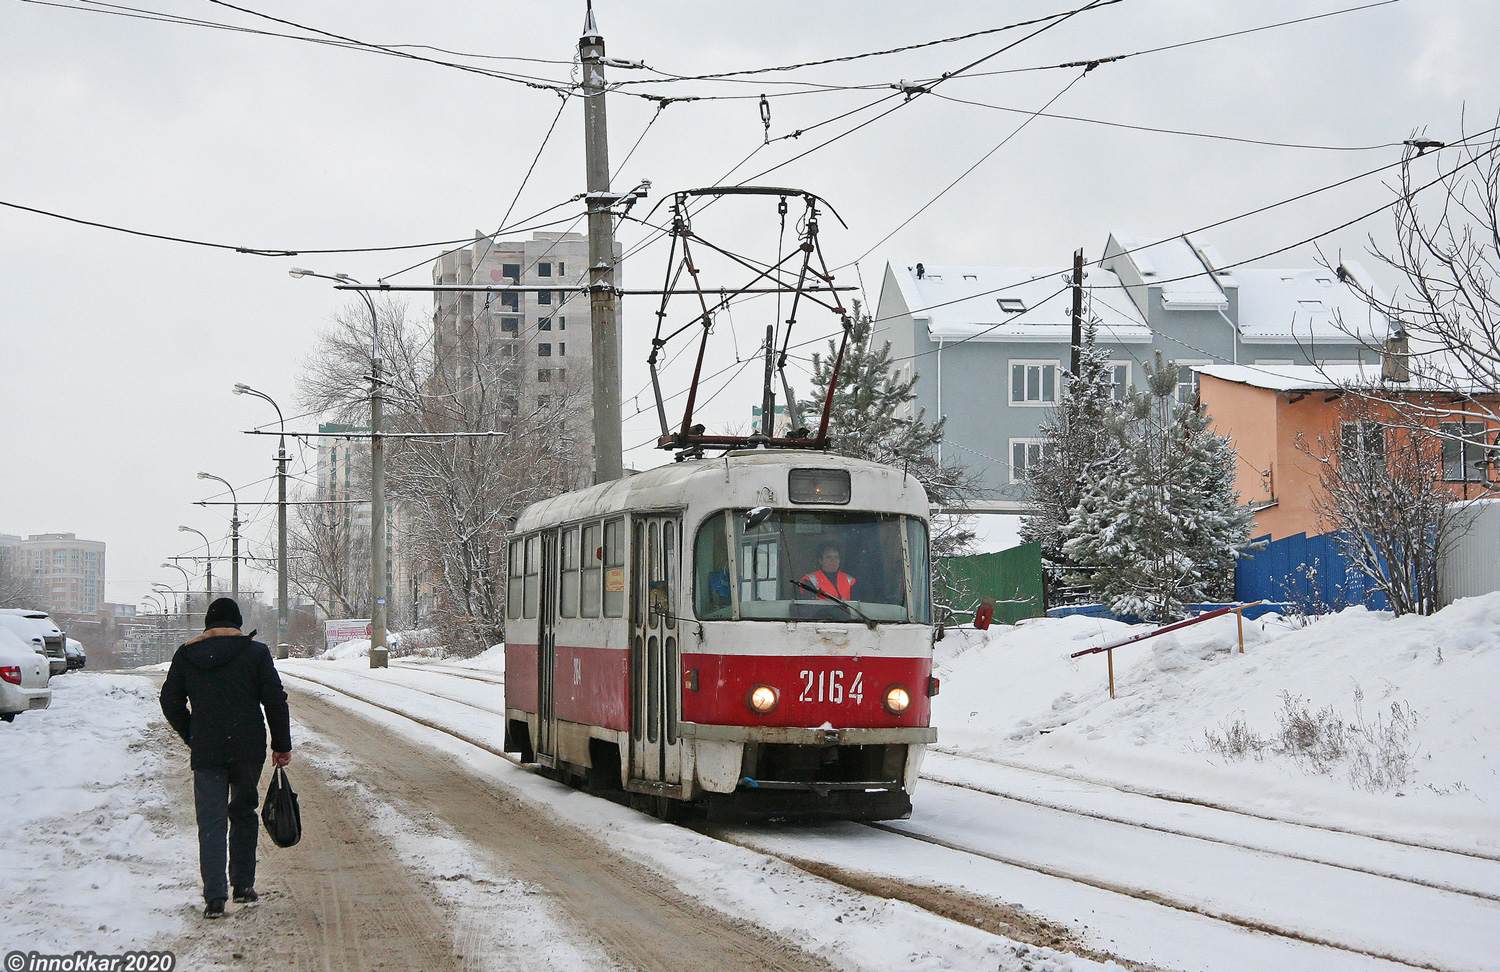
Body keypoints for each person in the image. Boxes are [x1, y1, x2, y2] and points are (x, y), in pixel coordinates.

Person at [160, 597, 292, 919]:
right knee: (244, 811)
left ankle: (214, 898)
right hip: (247, 747)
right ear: (238, 623)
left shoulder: (187, 654)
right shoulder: (256, 653)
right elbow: (275, 699)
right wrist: (281, 744)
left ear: (208, 624)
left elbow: (170, 700)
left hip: (207, 748)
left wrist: (192, 733)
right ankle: (243, 887)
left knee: (211, 821)